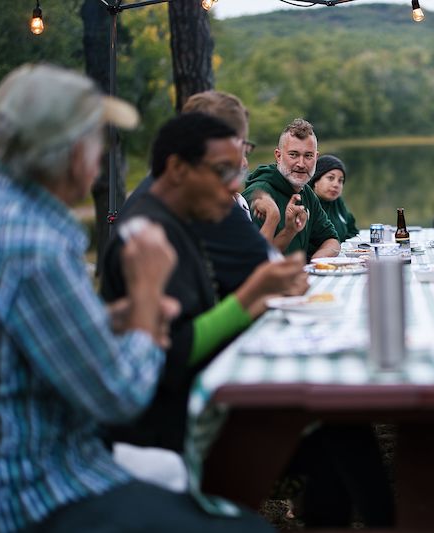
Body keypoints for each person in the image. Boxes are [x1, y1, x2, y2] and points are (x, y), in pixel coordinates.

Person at [0, 63, 271, 533]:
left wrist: (115, 317)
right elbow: (121, 396)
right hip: (33, 492)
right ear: (74, 154)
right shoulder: (33, 245)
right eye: (96, 140)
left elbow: (31, 341)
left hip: (26, 464)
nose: (100, 153)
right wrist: (148, 295)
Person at [100, 112, 308, 453]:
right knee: (322, 428)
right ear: (179, 169)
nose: (235, 186)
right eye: (223, 172)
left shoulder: (180, 219)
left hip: (189, 404)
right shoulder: (149, 235)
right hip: (167, 432)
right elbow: (175, 353)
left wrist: (263, 293)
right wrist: (253, 294)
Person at [122, 90, 277, 296]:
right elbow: (271, 272)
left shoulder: (154, 198)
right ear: (179, 166)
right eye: (223, 167)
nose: (236, 184)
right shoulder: (200, 205)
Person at [242, 118, 340, 259]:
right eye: (293, 155)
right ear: (278, 156)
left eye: (308, 156)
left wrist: (315, 265)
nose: (301, 164)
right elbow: (255, 260)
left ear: (316, 157)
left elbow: (331, 239)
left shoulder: (306, 192)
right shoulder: (258, 194)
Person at [309, 154, 359, 242]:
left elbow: (353, 231)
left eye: (340, 180)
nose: (336, 185)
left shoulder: (338, 202)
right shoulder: (307, 202)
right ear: (315, 180)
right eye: (330, 178)